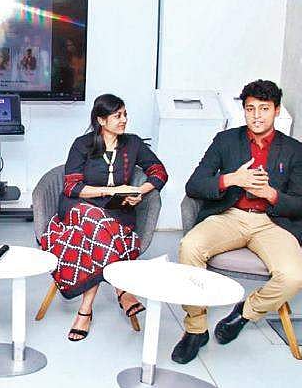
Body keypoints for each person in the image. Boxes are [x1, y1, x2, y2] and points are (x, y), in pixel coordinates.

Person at [171, 79, 302, 364]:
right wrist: (232, 179)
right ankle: (195, 329)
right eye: (250, 108)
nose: (256, 116)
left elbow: (300, 203)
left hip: (273, 223)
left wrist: (270, 194)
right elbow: (194, 185)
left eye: (264, 108)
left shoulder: (294, 150)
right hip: (230, 215)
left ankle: (244, 313)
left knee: (293, 276)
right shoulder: (226, 140)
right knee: (190, 247)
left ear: (276, 110)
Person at [40, 94, 168, 341]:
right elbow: (72, 187)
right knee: (94, 219)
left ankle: (85, 311)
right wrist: (110, 191)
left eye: (125, 114)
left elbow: (159, 172)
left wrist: (138, 192)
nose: (124, 120)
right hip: (79, 209)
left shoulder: (133, 143)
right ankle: (122, 289)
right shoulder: (83, 144)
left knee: (97, 232)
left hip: (116, 212)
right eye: (117, 116)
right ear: (101, 120)